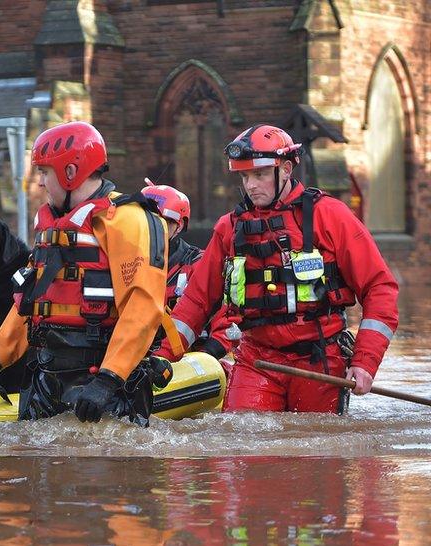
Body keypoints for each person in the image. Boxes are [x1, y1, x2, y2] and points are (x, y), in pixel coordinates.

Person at [154, 125, 399, 413]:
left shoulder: (330, 216)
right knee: (237, 448)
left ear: (285, 168)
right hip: (255, 360)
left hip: (319, 361)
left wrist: (364, 362)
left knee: (319, 454)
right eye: (244, 176)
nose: (251, 185)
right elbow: (196, 302)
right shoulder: (229, 229)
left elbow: (379, 288)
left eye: (258, 175)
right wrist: (161, 359)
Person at [0, 121, 175, 425]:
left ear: (69, 172)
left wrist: (108, 379)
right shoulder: (52, 226)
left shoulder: (129, 221)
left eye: (44, 172)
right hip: (46, 374)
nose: (40, 183)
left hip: (106, 381)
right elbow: (29, 301)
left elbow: (143, 308)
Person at [140, 182, 235, 362]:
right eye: (144, 220)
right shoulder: (125, 261)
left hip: (193, 361)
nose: (150, 229)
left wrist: (207, 356)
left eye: (160, 222)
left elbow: (228, 320)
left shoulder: (198, 265)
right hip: (142, 357)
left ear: (179, 226)